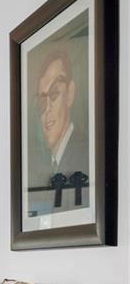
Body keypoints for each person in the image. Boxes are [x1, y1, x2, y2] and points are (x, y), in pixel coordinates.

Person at [26, 43, 90, 214]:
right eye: (41, 101)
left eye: (54, 94)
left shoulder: (87, 154)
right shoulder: (47, 168)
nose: (46, 109)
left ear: (70, 94)